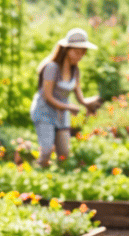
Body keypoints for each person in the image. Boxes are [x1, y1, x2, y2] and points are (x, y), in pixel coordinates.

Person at [29, 28, 102, 167]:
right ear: (66, 50)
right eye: (76, 51)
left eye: (82, 52)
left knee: (64, 155)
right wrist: (69, 107)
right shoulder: (52, 68)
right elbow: (47, 96)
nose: (79, 55)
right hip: (44, 111)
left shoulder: (76, 70)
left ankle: (56, 179)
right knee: (46, 150)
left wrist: (92, 102)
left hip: (61, 115)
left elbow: (80, 98)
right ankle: (36, 173)